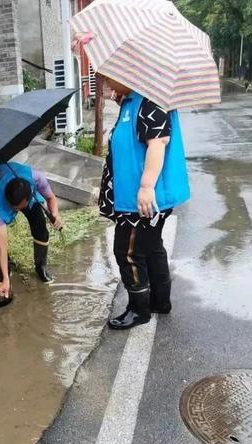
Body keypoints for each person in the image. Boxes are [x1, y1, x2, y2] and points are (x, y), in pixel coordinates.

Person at [98, 78, 190, 330]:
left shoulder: (151, 100)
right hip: (135, 198)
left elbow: (158, 142)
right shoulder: (134, 100)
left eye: (111, 77)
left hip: (142, 201)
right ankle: (160, 301)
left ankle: (139, 309)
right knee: (151, 246)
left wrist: (147, 186)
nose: (108, 83)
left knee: (127, 252)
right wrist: (124, 101)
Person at [0, 162, 63, 298]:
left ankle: (40, 267)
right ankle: (5, 271)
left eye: (19, 208)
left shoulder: (37, 178)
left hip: (24, 189)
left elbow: (50, 197)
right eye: (14, 208)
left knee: (40, 226)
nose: (16, 212)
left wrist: (55, 213)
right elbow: (2, 244)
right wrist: (6, 280)